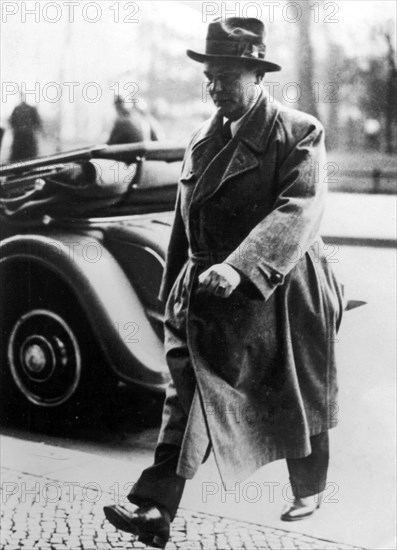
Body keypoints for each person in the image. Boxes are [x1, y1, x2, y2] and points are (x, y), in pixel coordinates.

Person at [104, 17, 344, 549]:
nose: (214, 88)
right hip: (208, 292)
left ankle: (311, 486)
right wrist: (174, 286)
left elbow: (297, 209)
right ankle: (154, 508)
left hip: (281, 290)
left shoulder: (298, 131)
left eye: (226, 77)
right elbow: (185, 219)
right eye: (209, 77)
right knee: (188, 394)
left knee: (295, 390)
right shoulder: (202, 139)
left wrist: (239, 266)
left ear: (255, 75)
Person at [9, 94, 42, 161]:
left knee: (17, 162)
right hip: (27, 139)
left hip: (20, 139)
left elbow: (11, 122)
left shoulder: (17, 109)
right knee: (30, 160)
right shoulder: (30, 109)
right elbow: (38, 123)